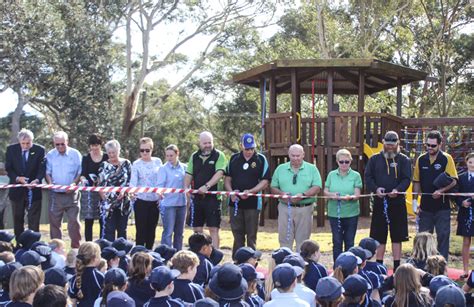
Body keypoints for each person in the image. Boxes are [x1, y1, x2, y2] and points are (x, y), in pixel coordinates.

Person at [364, 131, 412, 271]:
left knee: (397, 235)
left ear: (398, 144)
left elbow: (406, 179)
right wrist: (376, 189)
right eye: (387, 144)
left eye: (393, 145)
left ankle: (397, 267)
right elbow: (368, 177)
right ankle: (379, 265)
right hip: (380, 201)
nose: (390, 147)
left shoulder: (404, 160)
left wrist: (398, 190)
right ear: (383, 143)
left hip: (397, 202)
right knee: (379, 235)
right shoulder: (374, 159)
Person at [413, 130, 458, 260]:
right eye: (428, 145)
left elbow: (454, 180)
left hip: (442, 207)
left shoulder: (446, 158)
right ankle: (422, 267)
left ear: (440, 145)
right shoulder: (421, 159)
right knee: (423, 239)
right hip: (425, 207)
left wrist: (442, 190)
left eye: (433, 145)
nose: (430, 148)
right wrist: (415, 202)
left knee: (443, 237)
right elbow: (416, 181)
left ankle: (442, 268)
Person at [270, 144, 322, 252]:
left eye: (298, 155)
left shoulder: (312, 169)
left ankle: (300, 265)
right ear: (289, 155)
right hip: (285, 207)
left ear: (303, 155)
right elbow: (273, 187)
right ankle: (285, 265)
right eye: (293, 155)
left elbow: (317, 187)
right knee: (284, 240)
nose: (295, 158)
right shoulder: (280, 169)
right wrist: (282, 193)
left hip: (305, 208)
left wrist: (303, 195)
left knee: (303, 242)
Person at [225, 133, 270, 255]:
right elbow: (227, 179)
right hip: (235, 202)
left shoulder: (261, 159)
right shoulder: (233, 159)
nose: (250, 151)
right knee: (237, 233)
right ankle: (237, 258)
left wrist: (251, 192)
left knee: (251, 234)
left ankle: (251, 258)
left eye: (252, 148)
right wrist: (231, 193)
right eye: (247, 148)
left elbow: (265, 181)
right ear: (241, 146)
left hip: (253, 203)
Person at [184, 131, 227, 248]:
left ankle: (215, 255)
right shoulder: (194, 156)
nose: (208, 145)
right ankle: (199, 253)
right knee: (197, 229)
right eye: (205, 143)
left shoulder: (219, 155)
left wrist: (207, 186)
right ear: (200, 143)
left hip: (213, 198)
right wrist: (186, 188)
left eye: (210, 142)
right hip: (197, 198)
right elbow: (189, 173)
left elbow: (220, 173)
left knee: (213, 228)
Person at [5, 129, 45, 239]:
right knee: (18, 219)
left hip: (34, 190)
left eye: (28, 143)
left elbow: (42, 168)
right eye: (23, 143)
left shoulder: (39, 150)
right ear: (19, 142)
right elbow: (9, 168)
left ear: (32, 141)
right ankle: (19, 244)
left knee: (34, 220)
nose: (26, 146)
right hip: (17, 191)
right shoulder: (11, 150)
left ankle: (34, 244)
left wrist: (37, 180)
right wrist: (18, 178)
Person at [324, 148, 362, 261]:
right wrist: (332, 195)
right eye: (341, 162)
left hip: (351, 214)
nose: (344, 164)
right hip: (334, 214)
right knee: (337, 241)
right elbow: (325, 191)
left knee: (350, 242)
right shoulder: (331, 175)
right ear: (337, 161)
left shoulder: (356, 175)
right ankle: (338, 267)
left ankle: (349, 266)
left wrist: (351, 197)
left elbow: (357, 194)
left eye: (347, 161)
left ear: (350, 161)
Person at [45, 131, 82, 248]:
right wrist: (50, 184)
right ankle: (57, 249)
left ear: (67, 142)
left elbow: (80, 173)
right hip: (56, 194)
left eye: (62, 144)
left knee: (74, 223)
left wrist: (74, 184)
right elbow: (47, 173)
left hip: (72, 194)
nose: (60, 147)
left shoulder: (76, 154)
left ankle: (76, 249)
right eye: (57, 144)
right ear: (54, 144)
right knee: (55, 223)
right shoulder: (50, 155)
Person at [130, 137, 162, 249]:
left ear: (152, 150)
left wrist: (160, 195)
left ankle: (149, 254)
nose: (144, 153)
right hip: (141, 201)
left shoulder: (158, 161)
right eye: (142, 150)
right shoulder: (136, 164)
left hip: (155, 201)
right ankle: (138, 255)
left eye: (147, 150)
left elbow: (160, 180)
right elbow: (133, 182)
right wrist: (132, 192)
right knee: (141, 230)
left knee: (151, 230)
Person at [97, 140, 132, 241]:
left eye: (114, 152)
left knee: (122, 230)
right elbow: (99, 184)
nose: (111, 155)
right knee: (109, 230)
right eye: (109, 153)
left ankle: (122, 255)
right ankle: (109, 255)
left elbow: (130, 181)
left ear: (119, 151)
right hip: (108, 204)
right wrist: (104, 199)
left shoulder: (126, 163)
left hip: (123, 203)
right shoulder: (103, 165)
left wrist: (124, 191)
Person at [157, 144, 186, 250]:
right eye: (167, 156)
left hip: (182, 204)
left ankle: (179, 256)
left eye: (171, 155)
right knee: (168, 232)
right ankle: (165, 255)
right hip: (169, 204)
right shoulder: (163, 169)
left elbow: (187, 184)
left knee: (180, 233)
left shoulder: (184, 168)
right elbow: (159, 185)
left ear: (177, 154)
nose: (169, 158)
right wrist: (160, 192)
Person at [80, 134, 108, 242]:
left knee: (103, 219)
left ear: (101, 145)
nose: (95, 147)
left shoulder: (106, 157)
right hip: (89, 193)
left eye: (97, 145)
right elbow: (83, 174)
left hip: (103, 192)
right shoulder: (86, 158)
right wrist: (83, 180)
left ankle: (102, 243)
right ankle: (88, 244)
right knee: (89, 220)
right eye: (92, 145)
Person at [455, 152, 474, 278]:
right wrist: (462, 202)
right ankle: (465, 270)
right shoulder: (460, 178)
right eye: (471, 162)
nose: (473, 165)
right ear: (466, 162)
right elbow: (455, 194)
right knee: (466, 241)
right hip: (465, 212)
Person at [68, 242, 104, 307]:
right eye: (100, 255)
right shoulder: (100, 276)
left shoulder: (75, 277)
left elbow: (72, 301)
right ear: (95, 258)